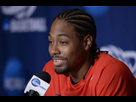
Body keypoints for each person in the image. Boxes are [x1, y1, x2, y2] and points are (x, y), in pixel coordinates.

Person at [43, 8, 136, 96]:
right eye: (51, 42)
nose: (53, 50)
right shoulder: (49, 71)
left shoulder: (110, 74)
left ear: (86, 42)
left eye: (63, 42)